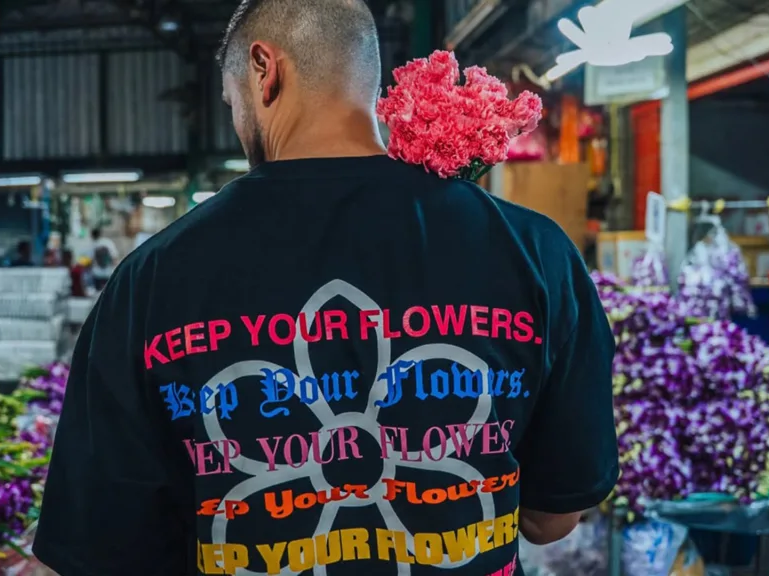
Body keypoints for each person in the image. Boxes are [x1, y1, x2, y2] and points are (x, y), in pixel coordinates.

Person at [33, 1, 618, 575]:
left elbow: (104, 547)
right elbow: (553, 517)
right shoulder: (534, 252)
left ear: (264, 70)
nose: (237, 124)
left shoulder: (150, 281)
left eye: (232, 102)